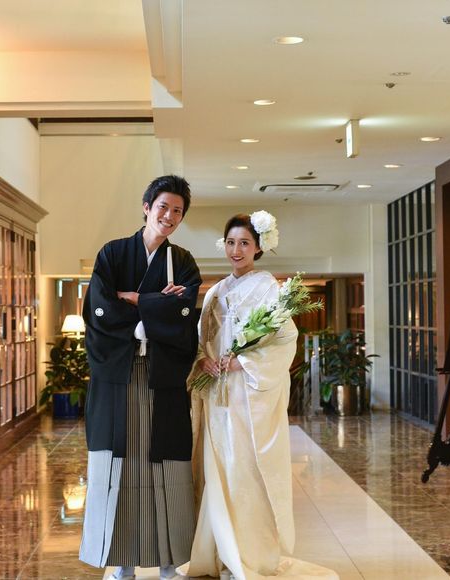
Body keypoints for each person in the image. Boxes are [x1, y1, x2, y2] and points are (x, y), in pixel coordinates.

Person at [188, 213, 338, 580]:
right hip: (217, 395)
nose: (236, 250)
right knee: (217, 471)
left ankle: (249, 556)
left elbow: (285, 339)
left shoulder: (268, 288)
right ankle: (220, 553)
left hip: (247, 396)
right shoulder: (215, 292)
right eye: (231, 242)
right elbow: (201, 339)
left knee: (245, 472)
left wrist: (242, 362)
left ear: (258, 248)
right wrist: (203, 360)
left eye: (244, 243)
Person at [79, 175, 202, 580]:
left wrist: (134, 299)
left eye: (178, 211)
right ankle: (123, 563)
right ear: (147, 207)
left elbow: (183, 313)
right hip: (118, 375)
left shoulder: (182, 262)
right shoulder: (113, 253)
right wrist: (154, 306)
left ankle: (169, 562)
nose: (169, 216)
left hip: (162, 376)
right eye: (163, 206)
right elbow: (99, 309)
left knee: (166, 467)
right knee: (122, 466)